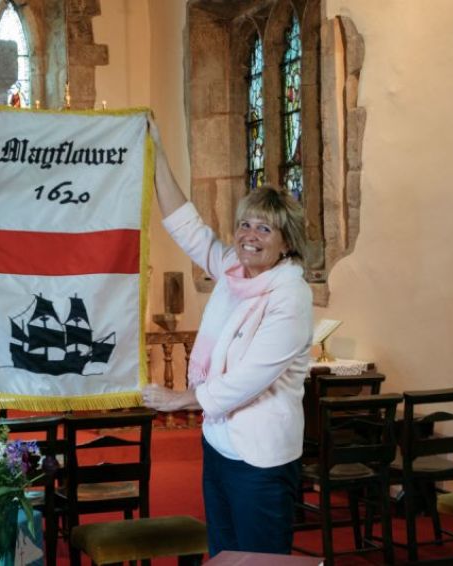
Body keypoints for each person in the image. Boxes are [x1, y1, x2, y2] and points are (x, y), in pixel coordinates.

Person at [142, 120, 313, 556]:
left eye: (264, 229)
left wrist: (180, 399)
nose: (249, 236)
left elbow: (251, 377)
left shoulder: (290, 295)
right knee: (225, 555)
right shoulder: (233, 271)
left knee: (260, 560)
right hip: (219, 444)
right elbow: (188, 227)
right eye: (245, 224)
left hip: (260, 456)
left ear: (286, 243)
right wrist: (156, 151)